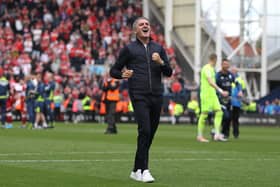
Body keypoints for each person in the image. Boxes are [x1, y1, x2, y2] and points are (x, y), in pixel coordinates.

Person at [110, 17, 172, 182]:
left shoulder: (158, 48)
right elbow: (113, 70)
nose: (145, 26)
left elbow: (169, 72)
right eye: (141, 24)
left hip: (157, 96)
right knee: (144, 130)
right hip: (138, 95)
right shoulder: (129, 49)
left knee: (150, 133)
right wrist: (122, 74)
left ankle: (136, 169)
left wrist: (161, 62)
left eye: (147, 24)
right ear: (135, 30)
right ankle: (144, 170)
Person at [197, 54, 229, 142]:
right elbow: (210, 82)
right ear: (214, 59)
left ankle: (217, 135)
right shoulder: (206, 68)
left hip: (213, 95)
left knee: (219, 112)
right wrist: (221, 91)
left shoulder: (212, 69)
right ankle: (199, 136)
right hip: (206, 95)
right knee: (204, 114)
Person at [216, 59, 235, 138]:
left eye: (227, 64)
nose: (226, 66)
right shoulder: (218, 75)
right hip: (220, 99)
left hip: (229, 100)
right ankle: (216, 130)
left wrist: (239, 90)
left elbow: (236, 83)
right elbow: (214, 86)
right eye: (224, 64)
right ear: (221, 65)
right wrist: (221, 93)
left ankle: (225, 133)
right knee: (225, 116)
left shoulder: (231, 75)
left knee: (229, 117)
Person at [231, 66, 245, 138]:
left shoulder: (240, 79)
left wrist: (241, 92)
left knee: (235, 119)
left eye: (234, 71)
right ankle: (224, 133)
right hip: (228, 101)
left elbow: (243, 90)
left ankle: (236, 134)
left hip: (237, 102)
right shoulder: (228, 77)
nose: (232, 72)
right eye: (232, 70)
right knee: (226, 118)